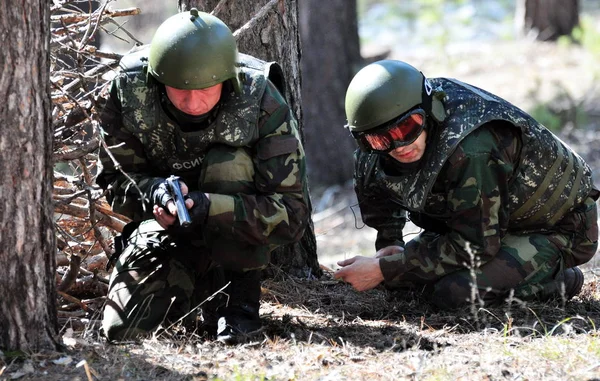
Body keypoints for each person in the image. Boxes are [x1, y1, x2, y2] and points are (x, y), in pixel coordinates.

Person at [97, 9, 309, 343]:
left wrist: (210, 207)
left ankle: (238, 305)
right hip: (166, 231)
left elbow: (292, 214)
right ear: (157, 80)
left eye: (206, 89)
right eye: (179, 89)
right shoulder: (130, 91)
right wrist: (157, 194)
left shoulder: (260, 99)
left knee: (230, 164)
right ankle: (203, 288)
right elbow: (115, 181)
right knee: (123, 330)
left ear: (227, 80)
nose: (193, 102)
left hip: (240, 236)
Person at [334, 60, 599, 309]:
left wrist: (383, 270)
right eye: (381, 140)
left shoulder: (472, 148)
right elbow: (379, 200)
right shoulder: (373, 151)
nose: (400, 146)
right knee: (412, 281)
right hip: (487, 221)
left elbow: (475, 246)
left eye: (407, 129)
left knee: (453, 292)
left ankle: (561, 281)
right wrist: (389, 246)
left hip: (558, 228)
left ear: (429, 112)